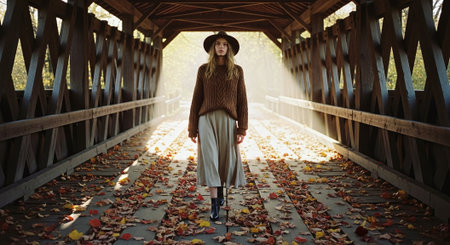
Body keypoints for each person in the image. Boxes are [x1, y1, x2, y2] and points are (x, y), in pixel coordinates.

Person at [188, 31, 248, 221]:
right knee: (211, 159)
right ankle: (214, 204)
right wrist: (192, 127)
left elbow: (242, 101)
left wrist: (242, 128)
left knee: (224, 159)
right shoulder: (203, 70)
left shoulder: (237, 71)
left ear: (228, 48)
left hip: (228, 120)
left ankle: (221, 192)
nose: (221, 47)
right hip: (206, 119)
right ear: (213, 48)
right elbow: (196, 99)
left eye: (224, 44)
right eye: (217, 44)